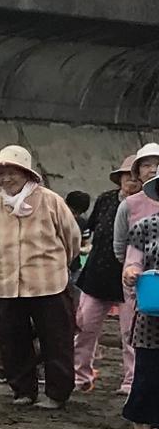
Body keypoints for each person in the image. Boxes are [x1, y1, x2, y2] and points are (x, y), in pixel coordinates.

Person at [0, 144, 81, 410]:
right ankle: (23, 389)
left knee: (56, 339)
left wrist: (55, 263)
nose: (6, 179)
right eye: (1, 173)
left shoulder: (50, 200)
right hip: (8, 284)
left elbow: (71, 238)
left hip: (48, 282)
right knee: (13, 339)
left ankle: (57, 393)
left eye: (12, 172)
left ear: (27, 173)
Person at [75, 155, 136, 393]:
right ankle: (81, 376)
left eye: (135, 177)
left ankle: (131, 381)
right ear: (119, 178)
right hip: (96, 275)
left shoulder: (149, 204)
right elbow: (90, 229)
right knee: (84, 328)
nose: (131, 181)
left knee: (131, 334)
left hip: (130, 279)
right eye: (126, 176)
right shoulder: (106, 199)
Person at [117, 176, 159, 429]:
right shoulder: (145, 227)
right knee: (146, 378)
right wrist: (131, 272)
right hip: (153, 315)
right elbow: (132, 261)